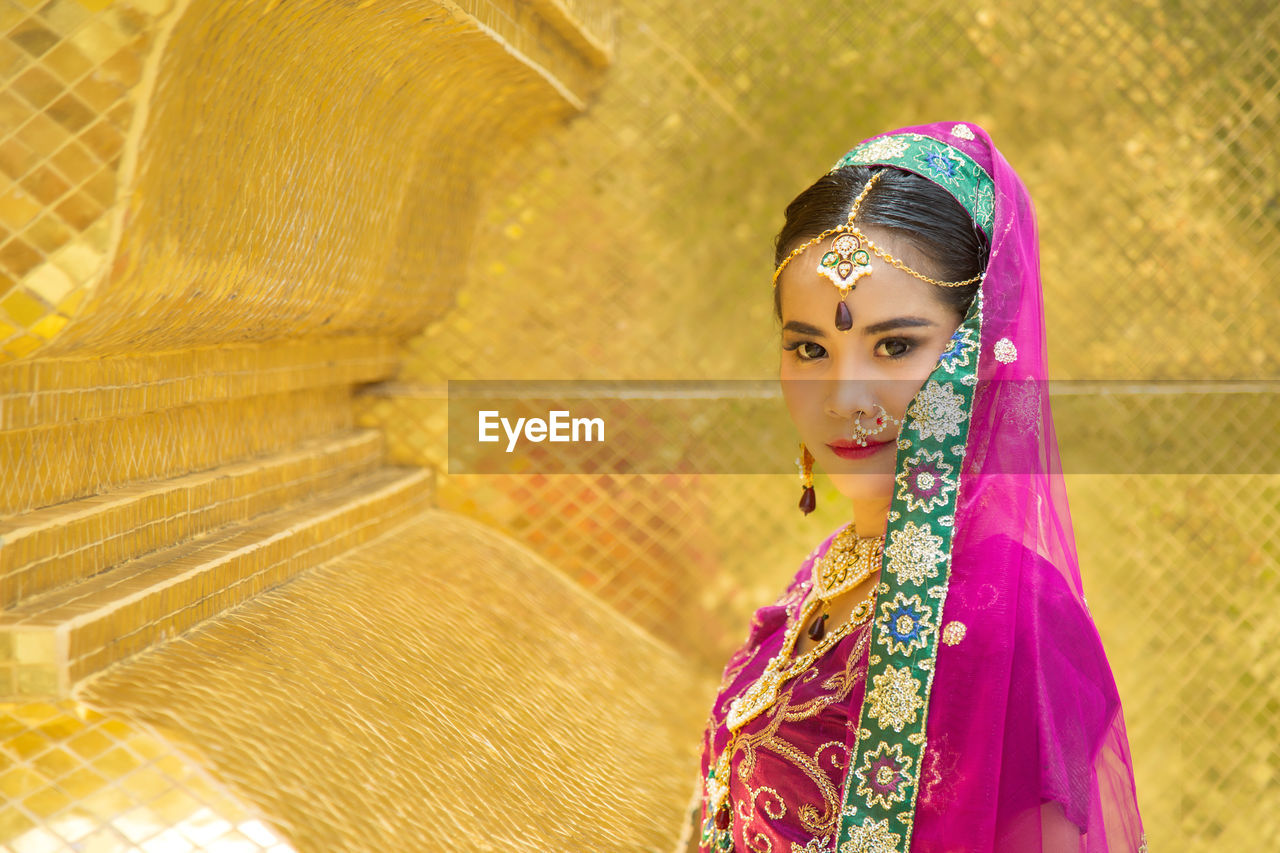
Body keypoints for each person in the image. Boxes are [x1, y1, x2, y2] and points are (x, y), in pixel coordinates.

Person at [689, 122, 1145, 852]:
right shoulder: (827, 574)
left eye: (895, 345)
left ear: (979, 359)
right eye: (810, 347)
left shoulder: (1018, 622)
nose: (846, 395)